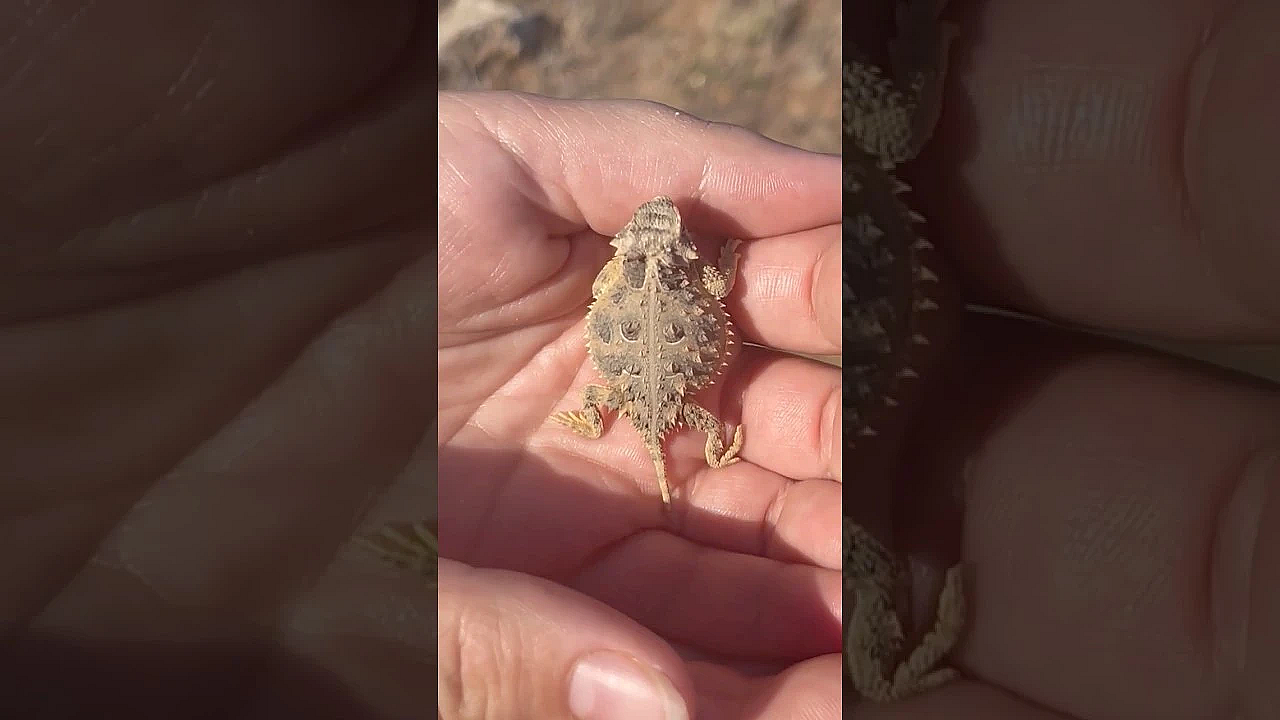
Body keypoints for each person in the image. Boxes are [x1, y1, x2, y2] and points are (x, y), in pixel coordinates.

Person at [3, 3, 1278, 719]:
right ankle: (895, 646)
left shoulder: (659, 277)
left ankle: (893, 643)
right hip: (900, 395)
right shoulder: (674, 280)